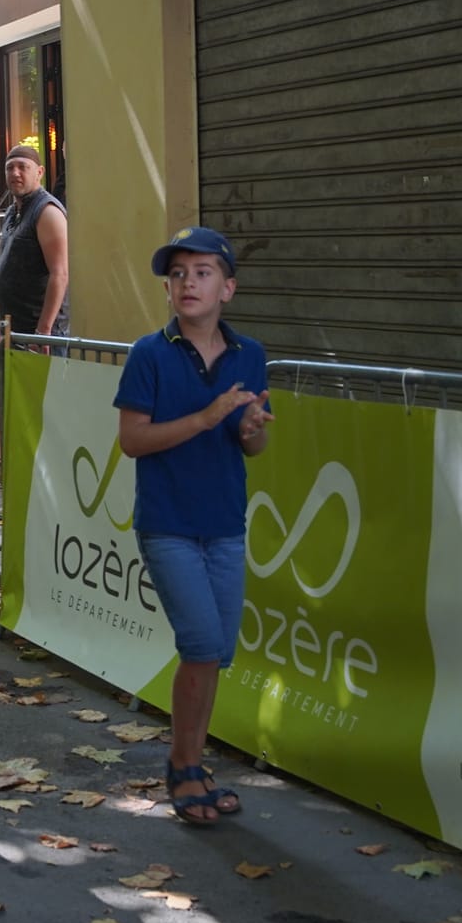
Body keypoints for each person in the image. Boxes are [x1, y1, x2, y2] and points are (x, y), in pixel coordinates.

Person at [115, 226, 271, 826]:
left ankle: (194, 764)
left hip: (225, 524)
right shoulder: (149, 353)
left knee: (214, 655)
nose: (187, 283)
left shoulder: (249, 355)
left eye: (202, 272)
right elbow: (132, 440)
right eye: (177, 274)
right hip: (169, 524)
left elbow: (252, 445)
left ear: (227, 287)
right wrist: (207, 417)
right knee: (201, 646)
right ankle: (182, 767)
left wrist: (253, 430)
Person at [0, 143, 68, 360]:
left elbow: (59, 274)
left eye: (23, 167)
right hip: (13, 331)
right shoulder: (12, 213)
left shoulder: (48, 212)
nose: (15, 173)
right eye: (10, 168)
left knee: (42, 395)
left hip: (39, 336)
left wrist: (43, 332)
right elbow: (8, 271)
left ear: (39, 172)